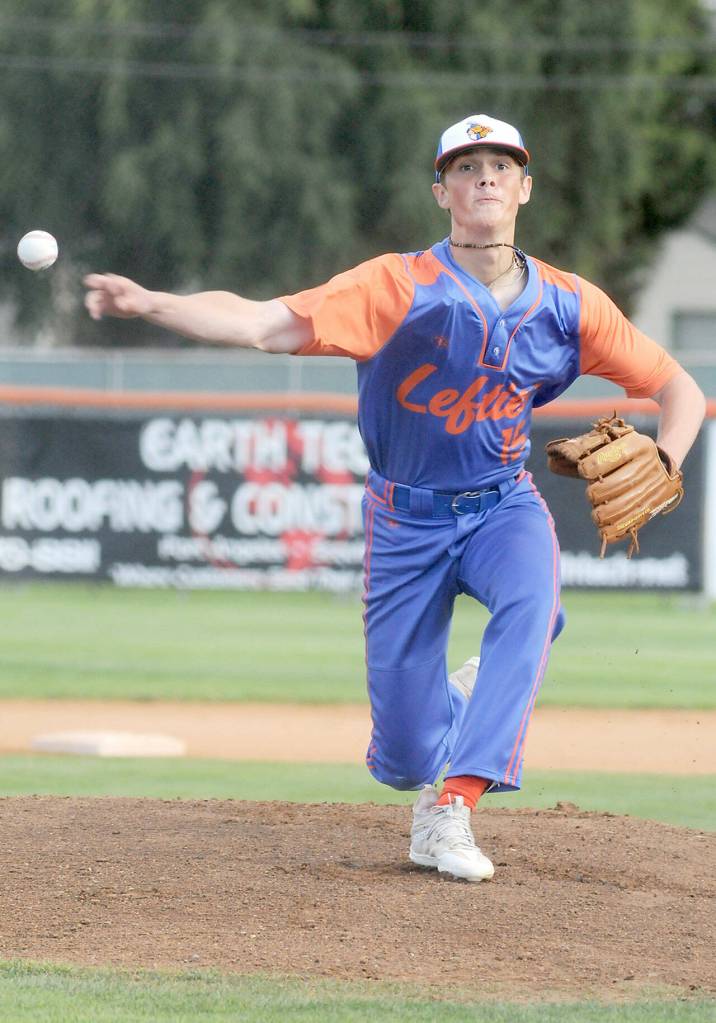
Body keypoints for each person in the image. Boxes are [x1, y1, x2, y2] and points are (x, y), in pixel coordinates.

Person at [84, 113, 706, 883]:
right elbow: (264, 323)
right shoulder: (395, 286)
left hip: (502, 503)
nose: (486, 177)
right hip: (404, 520)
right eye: (467, 165)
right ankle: (445, 733)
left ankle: (455, 806)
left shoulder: (570, 306)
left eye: (502, 166)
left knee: (535, 607)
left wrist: (667, 455)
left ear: (525, 189)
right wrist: (152, 303)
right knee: (404, 752)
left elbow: (679, 387)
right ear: (441, 189)